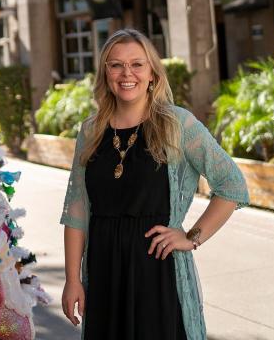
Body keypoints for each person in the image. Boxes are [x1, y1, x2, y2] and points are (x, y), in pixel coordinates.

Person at [60, 28, 248, 339]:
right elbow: (77, 210)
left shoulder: (178, 124)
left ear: (152, 74)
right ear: (105, 73)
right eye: (116, 64)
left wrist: (191, 237)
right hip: (104, 269)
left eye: (137, 64)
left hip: (157, 271)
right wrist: (72, 279)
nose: (126, 73)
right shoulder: (91, 131)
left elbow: (231, 186)